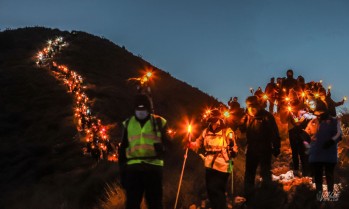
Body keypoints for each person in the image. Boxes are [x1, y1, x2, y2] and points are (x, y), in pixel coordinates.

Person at [118, 94, 168, 209]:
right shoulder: (128, 123)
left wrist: (163, 149)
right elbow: (122, 150)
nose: (141, 111)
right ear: (134, 109)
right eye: (138, 109)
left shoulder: (159, 122)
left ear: (149, 109)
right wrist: (123, 174)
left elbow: (170, 145)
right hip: (133, 170)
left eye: (143, 109)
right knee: (132, 204)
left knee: (155, 204)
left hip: (153, 169)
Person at [189, 108, 238, 209]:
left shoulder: (227, 131)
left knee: (217, 189)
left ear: (219, 119)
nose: (213, 123)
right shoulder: (205, 131)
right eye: (211, 121)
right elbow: (198, 144)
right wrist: (189, 144)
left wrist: (233, 150)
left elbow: (234, 147)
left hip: (223, 164)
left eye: (214, 120)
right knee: (210, 190)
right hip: (209, 164)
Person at [239, 96, 281, 202]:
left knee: (265, 172)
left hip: (264, 148)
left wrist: (277, 147)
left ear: (257, 105)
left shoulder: (267, 116)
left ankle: (267, 197)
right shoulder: (248, 116)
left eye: (252, 106)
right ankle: (249, 197)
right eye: (248, 106)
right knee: (249, 173)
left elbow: (275, 132)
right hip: (251, 148)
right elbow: (242, 129)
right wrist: (241, 123)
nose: (250, 108)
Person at [306, 99, 342, 196]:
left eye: (320, 113)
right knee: (318, 176)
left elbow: (339, 134)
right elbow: (307, 134)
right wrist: (304, 138)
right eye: (317, 114)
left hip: (329, 155)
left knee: (329, 175)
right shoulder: (313, 121)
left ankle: (330, 195)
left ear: (325, 111)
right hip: (317, 155)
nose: (318, 116)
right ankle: (319, 197)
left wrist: (331, 141)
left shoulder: (334, 121)